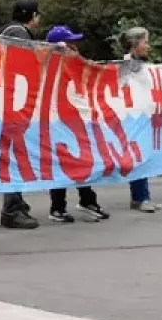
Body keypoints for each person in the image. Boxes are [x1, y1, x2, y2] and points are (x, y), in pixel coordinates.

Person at [43, 26, 111, 222]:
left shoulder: (75, 66)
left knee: (83, 160)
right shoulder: (51, 68)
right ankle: (58, 207)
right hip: (57, 122)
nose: (75, 47)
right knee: (62, 163)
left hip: (76, 121)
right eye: (71, 43)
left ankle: (86, 200)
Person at [0, 0, 43, 229]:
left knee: (14, 156)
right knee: (14, 157)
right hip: (13, 105)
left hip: (11, 102)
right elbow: (22, 66)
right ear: (32, 15)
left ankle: (17, 205)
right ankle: (12, 210)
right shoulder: (18, 34)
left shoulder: (10, 31)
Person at [121, 28, 159, 212]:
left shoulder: (142, 64)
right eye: (145, 42)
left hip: (142, 117)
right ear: (135, 44)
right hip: (131, 117)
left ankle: (141, 196)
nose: (148, 46)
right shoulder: (126, 65)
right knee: (137, 155)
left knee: (141, 155)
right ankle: (140, 197)